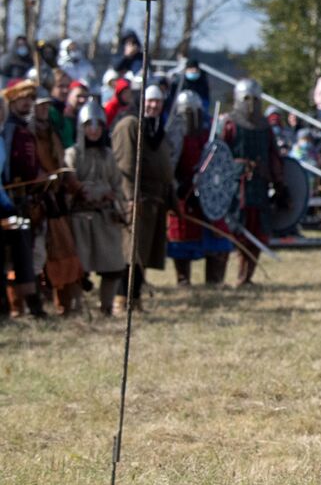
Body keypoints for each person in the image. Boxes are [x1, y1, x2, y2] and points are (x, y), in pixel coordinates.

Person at [112, 84, 174, 312]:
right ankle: (121, 300)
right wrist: (131, 197)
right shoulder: (129, 124)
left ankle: (134, 299)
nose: (154, 105)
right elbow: (125, 165)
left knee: (143, 253)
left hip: (154, 199)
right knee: (131, 251)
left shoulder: (154, 128)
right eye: (149, 100)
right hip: (137, 198)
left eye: (158, 101)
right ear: (141, 100)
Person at [65, 102, 129, 314]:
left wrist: (114, 200)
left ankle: (106, 307)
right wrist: (89, 191)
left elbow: (117, 187)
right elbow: (68, 185)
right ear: (81, 128)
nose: (93, 129)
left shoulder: (108, 156)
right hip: (79, 219)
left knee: (113, 266)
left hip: (104, 218)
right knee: (77, 268)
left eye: (98, 125)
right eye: (89, 125)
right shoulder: (73, 154)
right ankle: (77, 307)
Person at [167, 90, 233, 286]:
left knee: (219, 239)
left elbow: (220, 164)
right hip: (184, 197)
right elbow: (168, 166)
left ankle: (214, 281)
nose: (190, 116)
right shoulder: (173, 136)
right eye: (186, 112)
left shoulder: (208, 136)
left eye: (193, 111)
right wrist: (179, 186)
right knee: (182, 241)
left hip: (208, 197)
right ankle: (183, 280)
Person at [222, 79, 284, 287]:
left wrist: (279, 181)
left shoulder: (265, 127)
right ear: (238, 98)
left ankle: (248, 276)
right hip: (236, 186)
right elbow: (219, 155)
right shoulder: (229, 123)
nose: (251, 103)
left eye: (255, 99)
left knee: (258, 231)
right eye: (246, 98)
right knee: (238, 231)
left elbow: (274, 155)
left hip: (259, 185)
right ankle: (239, 273)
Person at [32, 94, 85, 315]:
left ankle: (64, 304)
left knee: (63, 253)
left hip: (56, 200)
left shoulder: (52, 132)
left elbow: (61, 163)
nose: (44, 109)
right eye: (39, 106)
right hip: (35, 201)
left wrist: (72, 184)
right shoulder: (26, 134)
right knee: (36, 257)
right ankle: (30, 307)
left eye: (46, 106)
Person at [1, 81, 44, 318]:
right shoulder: (8, 129)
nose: (27, 102)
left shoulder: (26, 128)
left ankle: (32, 306)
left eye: (30, 98)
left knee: (26, 254)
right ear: (12, 100)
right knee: (12, 256)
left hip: (24, 198)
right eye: (22, 98)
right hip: (9, 199)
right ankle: (11, 308)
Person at [61, 81, 89, 148]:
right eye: (78, 96)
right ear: (69, 96)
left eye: (85, 97)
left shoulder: (86, 117)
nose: (82, 100)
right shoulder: (64, 117)